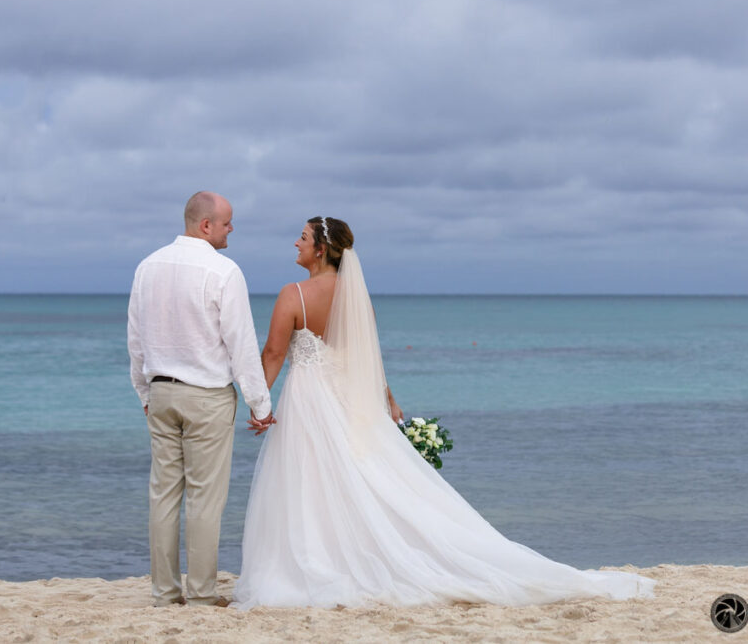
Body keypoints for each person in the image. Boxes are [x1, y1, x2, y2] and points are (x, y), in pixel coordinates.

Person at [233, 217, 654, 608]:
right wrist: (387, 398)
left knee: (309, 481)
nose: (296, 243)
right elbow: (364, 358)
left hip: (309, 400)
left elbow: (272, 352)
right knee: (359, 479)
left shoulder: (293, 294)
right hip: (345, 399)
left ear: (321, 249)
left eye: (303, 238)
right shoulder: (354, 297)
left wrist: (259, 404)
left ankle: (318, 560)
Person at [127, 191, 273, 607]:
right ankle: (204, 594)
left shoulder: (147, 267)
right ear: (205, 225)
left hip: (161, 391)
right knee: (205, 497)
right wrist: (259, 405)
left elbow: (135, 338)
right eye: (227, 223)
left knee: (164, 493)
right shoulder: (224, 271)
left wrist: (143, 390)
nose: (232, 230)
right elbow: (241, 344)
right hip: (206, 396)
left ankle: (165, 592)